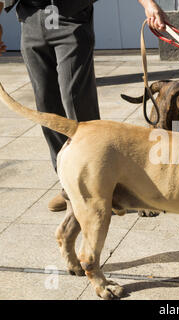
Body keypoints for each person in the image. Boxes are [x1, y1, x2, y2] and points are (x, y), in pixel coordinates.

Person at [0, 0, 167, 211]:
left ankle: (102, 184)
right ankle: (69, 186)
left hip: (71, 18)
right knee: (47, 107)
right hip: (31, 19)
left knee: (77, 102)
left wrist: (149, 4)